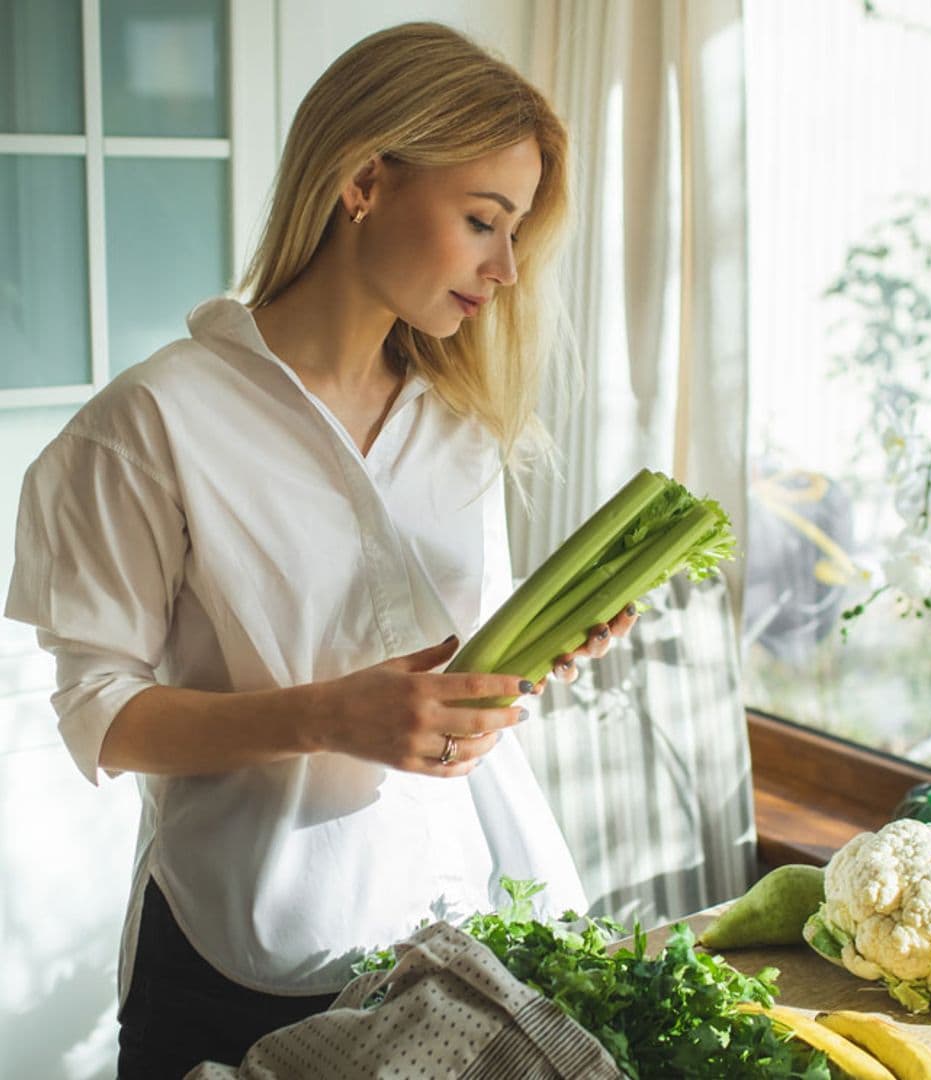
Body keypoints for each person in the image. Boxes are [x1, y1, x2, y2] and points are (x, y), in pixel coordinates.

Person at [5, 22, 638, 1079]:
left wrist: (539, 648)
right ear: (364, 182)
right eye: (484, 221)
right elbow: (100, 718)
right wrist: (325, 715)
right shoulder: (153, 424)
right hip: (236, 969)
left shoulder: (460, 419)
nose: (509, 268)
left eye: (517, 231)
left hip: (452, 948)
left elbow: (450, 664)